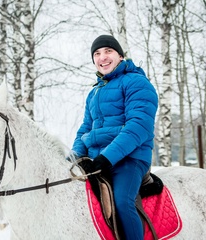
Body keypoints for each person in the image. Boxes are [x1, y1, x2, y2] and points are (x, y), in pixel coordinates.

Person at [70, 35, 158, 240]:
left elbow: (139, 126)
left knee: (122, 202)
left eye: (108, 51)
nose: (103, 57)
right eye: (97, 54)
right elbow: (84, 129)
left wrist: (107, 157)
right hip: (98, 160)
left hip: (130, 158)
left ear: (120, 55)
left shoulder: (137, 83)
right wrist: (74, 157)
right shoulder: (94, 93)